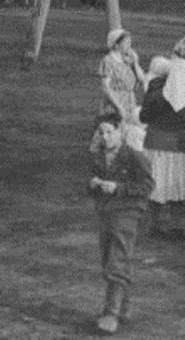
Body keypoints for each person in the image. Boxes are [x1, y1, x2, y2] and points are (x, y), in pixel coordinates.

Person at [88, 113, 154, 335]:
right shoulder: (97, 157)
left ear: (120, 131)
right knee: (109, 258)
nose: (106, 137)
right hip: (106, 212)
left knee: (117, 258)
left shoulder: (133, 156)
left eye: (110, 131)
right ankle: (124, 309)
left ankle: (111, 313)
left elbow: (147, 186)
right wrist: (93, 184)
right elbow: (88, 184)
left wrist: (118, 188)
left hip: (128, 213)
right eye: (101, 133)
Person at [139, 47, 185, 237]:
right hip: (178, 143)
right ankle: (177, 225)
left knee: (157, 185)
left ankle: (154, 225)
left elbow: (144, 116)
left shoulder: (156, 86)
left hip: (157, 141)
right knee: (179, 184)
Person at [98, 28, 146, 151]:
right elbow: (106, 87)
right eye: (126, 42)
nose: (129, 45)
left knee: (130, 135)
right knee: (116, 136)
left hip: (130, 101)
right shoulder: (108, 61)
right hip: (115, 104)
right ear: (116, 44)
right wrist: (118, 107)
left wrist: (135, 62)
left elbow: (142, 79)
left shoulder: (127, 60)